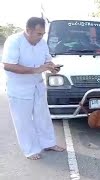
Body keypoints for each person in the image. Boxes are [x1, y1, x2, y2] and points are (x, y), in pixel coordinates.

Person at [1, 17, 65, 160]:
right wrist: (36, 70)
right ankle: (30, 150)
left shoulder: (42, 43)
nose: (41, 37)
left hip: (37, 86)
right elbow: (8, 65)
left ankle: (48, 143)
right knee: (23, 121)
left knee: (43, 117)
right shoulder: (14, 41)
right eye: (38, 34)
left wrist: (52, 67)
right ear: (28, 30)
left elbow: (47, 60)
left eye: (43, 34)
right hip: (19, 89)